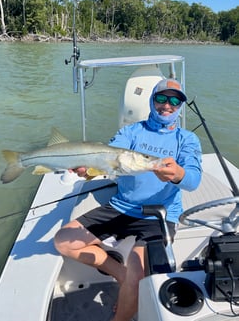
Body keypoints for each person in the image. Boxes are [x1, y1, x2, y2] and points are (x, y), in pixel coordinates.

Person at [54, 78, 202, 321]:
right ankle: (119, 273)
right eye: (162, 98)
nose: (167, 105)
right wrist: (88, 168)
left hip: (158, 214)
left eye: (175, 100)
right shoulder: (131, 131)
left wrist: (178, 174)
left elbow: (193, 180)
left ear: (180, 106)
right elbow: (108, 158)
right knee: (63, 241)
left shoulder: (186, 140)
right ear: (152, 100)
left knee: (136, 282)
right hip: (120, 206)